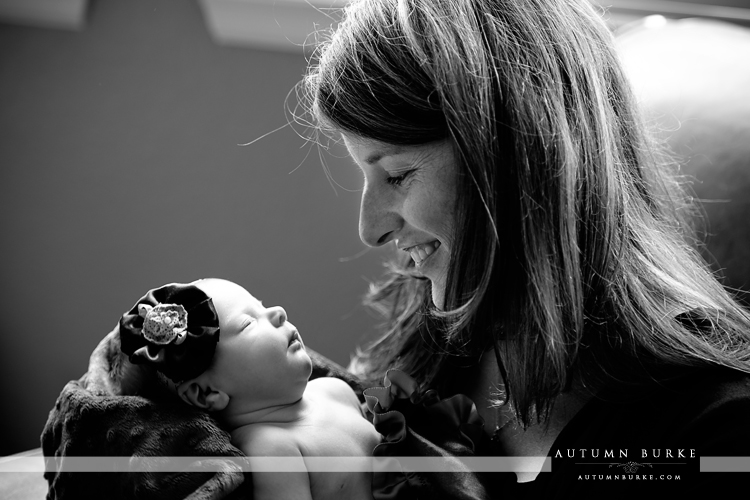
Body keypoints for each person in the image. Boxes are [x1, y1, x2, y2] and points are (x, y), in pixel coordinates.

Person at [301, 0, 750, 497]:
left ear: (515, 155)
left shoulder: (715, 433)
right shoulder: (433, 338)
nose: (370, 230)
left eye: (397, 174)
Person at [119, 278, 382, 500]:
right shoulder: (272, 446)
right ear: (207, 393)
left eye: (262, 305)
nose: (278, 312)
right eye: (249, 322)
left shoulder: (335, 390)